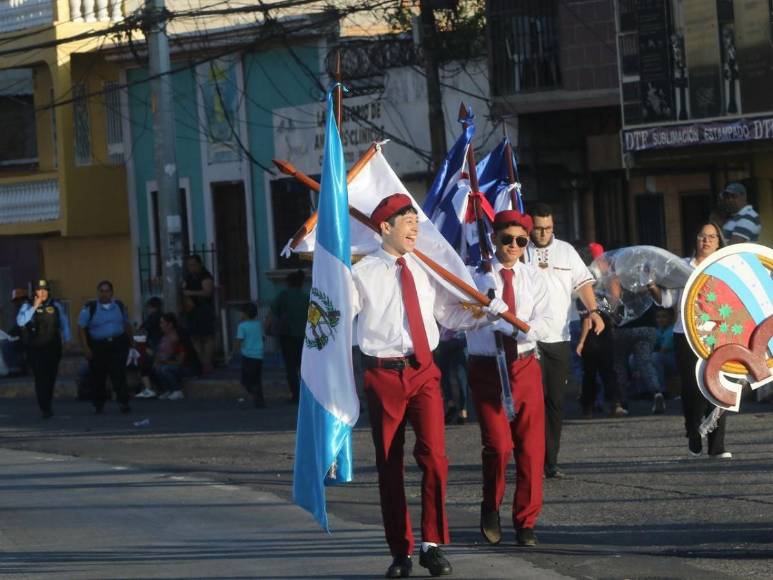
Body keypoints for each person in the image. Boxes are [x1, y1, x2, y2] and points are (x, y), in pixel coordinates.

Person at [352, 193, 510, 578]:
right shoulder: (361, 272)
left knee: (435, 458)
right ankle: (400, 551)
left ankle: (432, 544)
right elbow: (337, 323)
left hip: (424, 371)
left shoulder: (423, 266)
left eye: (416, 223)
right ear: (385, 228)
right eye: (407, 223)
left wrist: (487, 314)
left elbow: (450, 316)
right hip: (383, 374)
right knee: (389, 465)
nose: (414, 230)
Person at [466, 210, 552, 548]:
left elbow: (545, 323)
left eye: (521, 240)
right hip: (487, 367)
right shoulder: (476, 276)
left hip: (524, 365)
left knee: (531, 449)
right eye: (507, 239)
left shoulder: (534, 278)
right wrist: (486, 312)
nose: (514, 246)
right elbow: (463, 317)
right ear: (494, 238)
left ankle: (526, 520)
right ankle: (491, 505)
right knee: (499, 446)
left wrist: (511, 324)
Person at [524, 203, 605, 478]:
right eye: (538, 228)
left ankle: (551, 461)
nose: (543, 233)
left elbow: (583, 283)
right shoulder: (519, 249)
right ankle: (530, 458)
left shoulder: (566, 251)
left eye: (548, 228)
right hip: (527, 339)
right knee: (532, 403)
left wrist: (593, 311)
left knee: (556, 402)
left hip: (558, 337)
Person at [647, 222, 731, 459]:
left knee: (718, 388)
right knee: (693, 389)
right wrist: (651, 284)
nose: (706, 241)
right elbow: (666, 301)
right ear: (695, 239)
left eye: (712, 237)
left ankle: (717, 446)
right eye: (702, 236)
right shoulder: (681, 267)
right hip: (686, 334)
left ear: (719, 242)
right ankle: (693, 432)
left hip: (718, 335)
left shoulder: (726, 267)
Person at [574, 244, 624, 419]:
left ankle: (593, 405)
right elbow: (594, 313)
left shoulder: (601, 282)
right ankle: (608, 404)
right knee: (603, 370)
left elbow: (610, 307)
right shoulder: (592, 281)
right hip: (597, 331)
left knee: (593, 371)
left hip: (598, 331)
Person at [16, 279, 71, 418]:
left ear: (48, 291)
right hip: (36, 349)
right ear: (35, 292)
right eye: (39, 290)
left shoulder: (56, 305)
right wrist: (34, 307)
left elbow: (64, 323)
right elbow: (20, 321)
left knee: (51, 377)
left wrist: (67, 340)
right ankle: (44, 407)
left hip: (53, 347)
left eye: (44, 290)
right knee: (41, 378)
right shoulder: (27, 305)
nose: (42, 292)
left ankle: (48, 403)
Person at [77, 280, 133, 414]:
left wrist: (131, 342)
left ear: (112, 293)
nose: (104, 294)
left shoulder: (119, 306)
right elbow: (81, 328)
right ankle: (98, 404)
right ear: (98, 292)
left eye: (107, 291)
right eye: (101, 291)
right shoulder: (90, 307)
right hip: (98, 346)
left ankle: (123, 402)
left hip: (118, 344)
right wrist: (86, 347)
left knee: (119, 374)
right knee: (98, 375)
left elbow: (126, 324)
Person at [269, 269, 309, 404]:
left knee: (291, 367)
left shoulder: (283, 296)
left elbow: (272, 313)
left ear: (288, 283)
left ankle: (296, 395)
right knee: (305, 367)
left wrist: (267, 328)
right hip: (305, 337)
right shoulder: (307, 297)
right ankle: (307, 394)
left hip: (288, 336)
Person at [182, 254, 216, 374]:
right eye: (189, 265)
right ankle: (201, 362)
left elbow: (207, 292)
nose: (191, 268)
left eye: (193, 265)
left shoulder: (205, 276)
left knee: (207, 337)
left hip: (204, 309)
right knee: (194, 337)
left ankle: (207, 362)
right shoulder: (188, 277)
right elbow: (183, 289)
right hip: (191, 311)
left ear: (199, 264)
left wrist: (191, 293)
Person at [434, 327, 469, 424]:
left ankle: (456, 406)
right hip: (453, 338)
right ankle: (459, 408)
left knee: (457, 376)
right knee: (457, 376)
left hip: (453, 339)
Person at [235, 302, 265, 409]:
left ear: (244, 314)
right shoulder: (258, 324)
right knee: (257, 379)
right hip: (259, 356)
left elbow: (239, 340)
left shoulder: (242, 326)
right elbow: (263, 338)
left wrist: (234, 351)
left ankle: (255, 394)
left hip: (247, 356)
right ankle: (259, 401)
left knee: (246, 380)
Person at [151, 313, 186, 400]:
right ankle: (168, 390)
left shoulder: (175, 337)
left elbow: (179, 360)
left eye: (162, 322)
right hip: (168, 363)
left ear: (170, 324)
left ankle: (177, 390)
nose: (160, 325)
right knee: (157, 368)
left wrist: (164, 361)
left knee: (164, 369)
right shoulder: (164, 337)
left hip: (181, 366)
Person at [652, 307, 677, 410]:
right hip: (662, 358)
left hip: (674, 360)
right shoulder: (658, 330)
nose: (660, 320)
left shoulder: (672, 330)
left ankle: (661, 390)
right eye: (658, 317)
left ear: (670, 318)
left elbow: (663, 349)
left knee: (655, 357)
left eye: (664, 317)